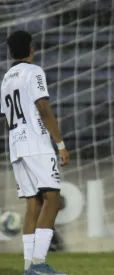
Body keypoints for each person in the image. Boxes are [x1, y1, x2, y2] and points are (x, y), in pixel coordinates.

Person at [1, 30, 70, 275]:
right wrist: (60, 144)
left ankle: (29, 267)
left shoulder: (7, 78)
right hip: (36, 145)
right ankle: (38, 264)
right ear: (31, 49)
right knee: (53, 200)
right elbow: (43, 107)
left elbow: (6, 118)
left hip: (16, 145)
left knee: (34, 202)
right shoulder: (34, 72)